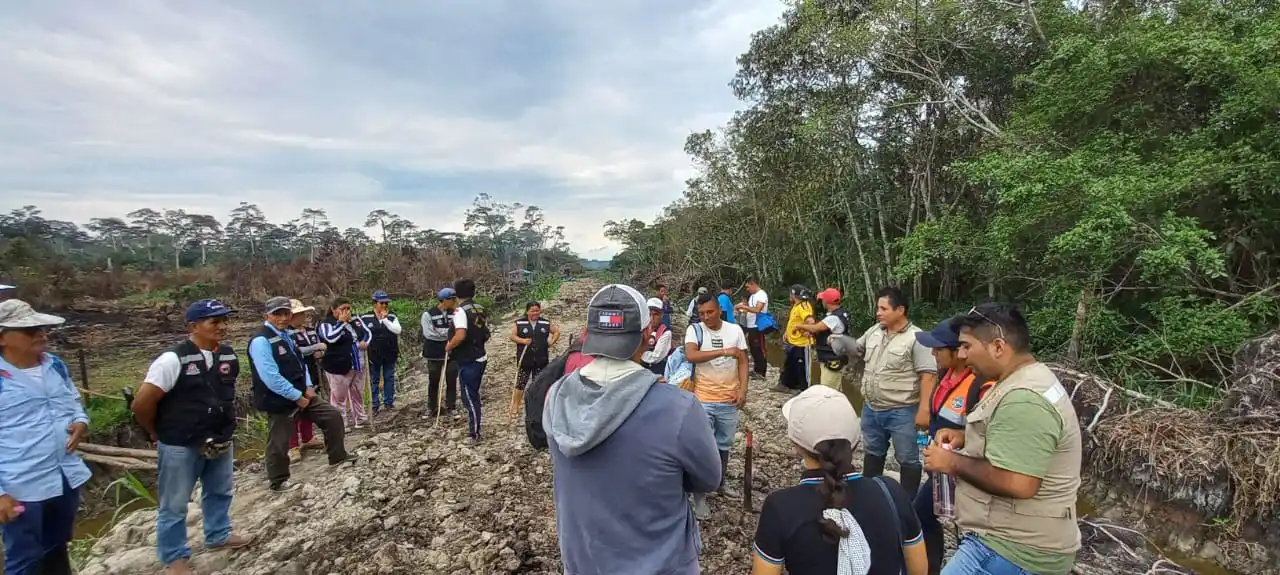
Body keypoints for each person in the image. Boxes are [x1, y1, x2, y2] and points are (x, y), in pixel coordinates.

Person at [544, 284, 721, 575]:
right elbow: (708, 479)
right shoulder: (678, 408)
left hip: (583, 563)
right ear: (645, 337)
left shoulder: (556, 397)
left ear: (589, 336)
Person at [924, 304, 1082, 575]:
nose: (961, 354)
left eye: (966, 346)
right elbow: (1018, 441)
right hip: (1011, 541)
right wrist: (966, 438)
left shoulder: (1023, 398)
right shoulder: (1021, 379)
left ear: (998, 346)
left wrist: (951, 462)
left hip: (1011, 549)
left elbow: (1019, 482)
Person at [130, 298, 252, 574]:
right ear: (194, 326)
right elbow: (141, 404)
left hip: (219, 436)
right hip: (180, 443)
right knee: (174, 502)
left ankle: (218, 534)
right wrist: (155, 431)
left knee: (219, 491)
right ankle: (175, 557)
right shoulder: (172, 360)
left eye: (224, 321)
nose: (222, 326)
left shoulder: (229, 356)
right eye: (214, 322)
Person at [752, 385, 927, 575]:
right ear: (855, 442)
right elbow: (919, 570)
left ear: (796, 444)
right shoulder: (891, 492)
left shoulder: (780, 507)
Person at [0, 300, 91, 575]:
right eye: (29, 330)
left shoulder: (56, 366)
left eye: (40, 327)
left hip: (64, 475)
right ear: (3, 338)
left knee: (57, 547)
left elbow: (73, 401)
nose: (41, 334)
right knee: (24, 559)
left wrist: (80, 421)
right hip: (20, 486)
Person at [249, 297, 355, 492]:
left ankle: (337, 455)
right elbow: (270, 376)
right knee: (279, 440)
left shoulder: (287, 336)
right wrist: (295, 396)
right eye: (277, 314)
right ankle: (279, 480)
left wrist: (307, 386)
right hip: (279, 399)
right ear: (267, 316)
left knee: (331, 416)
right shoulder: (261, 341)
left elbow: (300, 363)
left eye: (285, 313)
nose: (282, 318)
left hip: (302, 392)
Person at [912, 319, 993, 575]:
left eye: (938, 349)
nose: (933, 353)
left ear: (958, 350)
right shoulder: (945, 374)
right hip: (940, 466)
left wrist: (960, 438)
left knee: (962, 525)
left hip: (964, 470)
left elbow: (988, 434)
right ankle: (933, 567)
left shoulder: (980, 385)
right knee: (926, 514)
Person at [850, 287, 937, 500]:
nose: (878, 312)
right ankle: (870, 497)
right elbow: (856, 349)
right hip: (871, 407)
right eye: (877, 308)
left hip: (903, 410)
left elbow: (928, 375)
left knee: (908, 458)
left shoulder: (917, 338)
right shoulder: (874, 331)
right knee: (872, 452)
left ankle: (908, 503)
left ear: (900, 310)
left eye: (883, 308)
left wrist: (924, 410)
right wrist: (839, 342)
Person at [685, 292, 749, 518]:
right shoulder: (695, 330)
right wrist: (723, 351)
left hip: (729, 399)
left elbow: (743, 360)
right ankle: (700, 495)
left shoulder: (735, 331)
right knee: (703, 446)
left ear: (720, 310)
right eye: (702, 313)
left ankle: (720, 482)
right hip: (703, 398)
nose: (706, 317)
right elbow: (691, 355)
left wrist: (743, 389)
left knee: (724, 444)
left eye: (710, 312)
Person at [446, 279, 491, 444]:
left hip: (468, 359)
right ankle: (475, 428)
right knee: (472, 395)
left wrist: (449, 346)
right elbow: (486, 332)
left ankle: (475, 433)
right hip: (480, 355)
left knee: (469, 397)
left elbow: (460, 335)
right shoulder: (480, 308)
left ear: (456, 294)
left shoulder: (460, 311)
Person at [318, 298, 371, 429]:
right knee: (338, 397)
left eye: (348, 308)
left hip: (357, 362)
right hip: (338, 365)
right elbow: (330, 338)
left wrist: (365, 342)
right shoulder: (326, 324)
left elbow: (367, 333)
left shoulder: (355, 320)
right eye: (342, 309)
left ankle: (360, 418)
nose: (346, 312)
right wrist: (341, 323)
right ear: (333, 309)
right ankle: (340, 423)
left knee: (357, 392)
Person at [287, 299, 326, 462]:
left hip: (312, 371)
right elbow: (298, 351)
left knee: (309, 406)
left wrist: (319, 352)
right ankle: (292, 445)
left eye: (303, 313)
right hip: (295, 374)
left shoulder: (310, 331)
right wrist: (316, 348)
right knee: (294, 410)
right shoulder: (287, 334)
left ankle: (308, 437)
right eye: (299, 314)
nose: (302, 317)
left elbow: (320, 347)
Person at [792, 288, 852, 393]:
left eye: (823, 299)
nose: (821, 301)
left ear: (826, 302)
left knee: (827, 392)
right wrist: (813, 334)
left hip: (832, 358)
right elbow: (826, 331)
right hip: (835, 357)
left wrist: (798, 326)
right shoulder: (842, 314)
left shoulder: (833, 318)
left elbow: (816, 328)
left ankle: (830, 409)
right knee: (836, 389)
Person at [510, 301, 559, 419]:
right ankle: (515, 405)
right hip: (525, 359)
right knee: (520, 383)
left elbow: (556, 332)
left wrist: (551, 342)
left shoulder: (545, 323)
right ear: (527, 311)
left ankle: (538, 406)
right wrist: (523, 341)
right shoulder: (519, 323)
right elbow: (512, 336)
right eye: (532, 311)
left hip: (541, 359)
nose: (535, 313)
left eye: (537, 310)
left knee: (539, 384)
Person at [359, 290, 402, 414]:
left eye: (385, 304)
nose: (384, 306)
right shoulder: (365, 318)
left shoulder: (392, 317)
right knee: (374, 379)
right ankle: (374, 404)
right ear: (375, 303)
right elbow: (361, 334)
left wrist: (385, 320)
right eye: (381, 303)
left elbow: (397, 330)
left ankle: (388, 402)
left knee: (389, 377)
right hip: (373, 354)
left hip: (390, 352)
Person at [421, 287, 460, 418]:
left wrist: (447, 334)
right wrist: (448, 334)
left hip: (452, 352)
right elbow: (429, 333)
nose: (454, 301)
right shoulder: (428, 314)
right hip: (433, 352)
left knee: (451, 378)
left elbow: (458, 330)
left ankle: (451, 406)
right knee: (434, 380)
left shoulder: (455, 313)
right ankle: (432, 407)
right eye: (451, 299)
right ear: (444, 300)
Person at [776, 285, 815, 393]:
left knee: (802, 368)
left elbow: (810, 321)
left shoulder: (803, 307)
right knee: (789, 364)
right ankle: (785, 385)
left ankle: (804, 390)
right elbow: (794, 321)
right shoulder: (796, 306)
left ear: (794, 295)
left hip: (802, 343)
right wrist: (786, 333)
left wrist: (808, 330)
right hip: (793, 341)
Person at [735, 277, 770, 379]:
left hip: (757, 326)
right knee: (753, 348)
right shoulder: (753, 296)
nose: (747, 289)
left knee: (759, 348)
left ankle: (761, 371)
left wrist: (744, 307)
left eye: (748, 286)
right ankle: (756, 369)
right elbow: (750, 309)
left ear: (753, 284)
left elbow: (757, 309)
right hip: (751, 325)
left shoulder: (761, 295)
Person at [641, 297, 674, 375]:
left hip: (656, 372)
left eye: (655, 315)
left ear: (661, 315)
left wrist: (638, 353)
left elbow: (656, 357)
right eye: (649, 314)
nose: (651, 318)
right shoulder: (641, 328)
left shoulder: (665, 333)